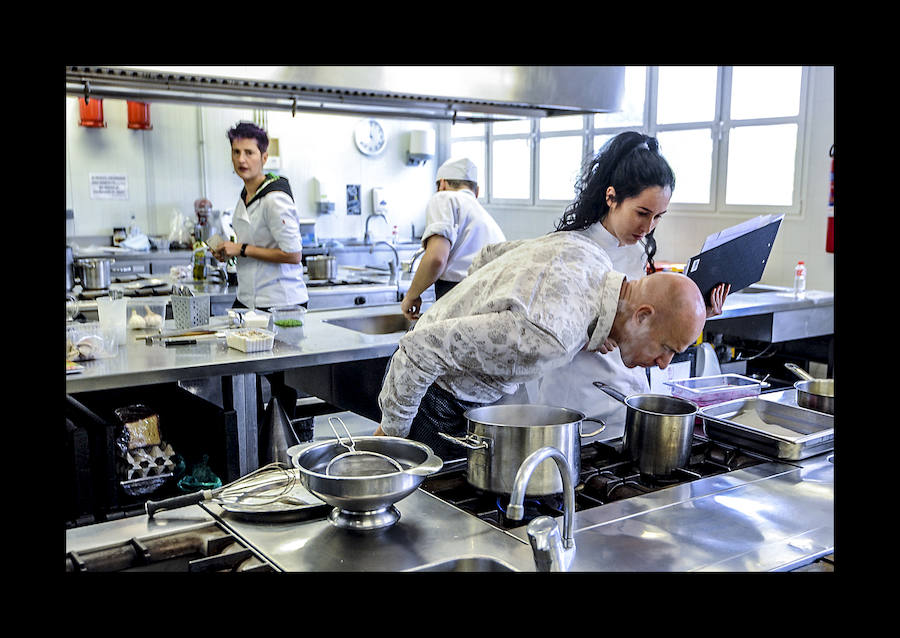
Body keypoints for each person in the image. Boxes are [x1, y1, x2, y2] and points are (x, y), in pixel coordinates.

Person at [373, 224, 708, 459]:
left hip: (447, 387)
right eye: (667, 349)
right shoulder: (553, 336)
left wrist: (471, 301)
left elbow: (489, 255)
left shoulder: (591, 254)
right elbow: (418, 351)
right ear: (642, 316)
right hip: (431, 398)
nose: (664, 364)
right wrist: (392, 438)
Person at [531, 131, 729, 425]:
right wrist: (588, 334)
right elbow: (539, 329)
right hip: (579, 404)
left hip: (628, 395)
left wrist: (693, 314)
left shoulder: (637, 250)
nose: (649, 227)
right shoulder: (572, 251)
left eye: (659, 216)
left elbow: (644, 321)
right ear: (611, 197)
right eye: (642, 213)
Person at [212, 121, 308, 419]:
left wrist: (240, 249)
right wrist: (228, 251)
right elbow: (252, 244)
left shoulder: (275, 197)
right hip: (249, 301)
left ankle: (283, 447)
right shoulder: (245, 196)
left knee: (281, 382)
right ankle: (253, 440)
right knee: (242, 374)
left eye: (249, 152)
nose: (242, 159)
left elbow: (293, 254)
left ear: (264, 158)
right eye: (236, 152)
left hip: (280, 302)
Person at [400, 157, 505, 320]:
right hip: (493, 304)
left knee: (408, 344)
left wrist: (411, 295)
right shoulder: (486, 218)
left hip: (460, 298)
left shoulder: (444, 198)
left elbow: (436, 259)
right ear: (476, 192)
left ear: (442, 184)